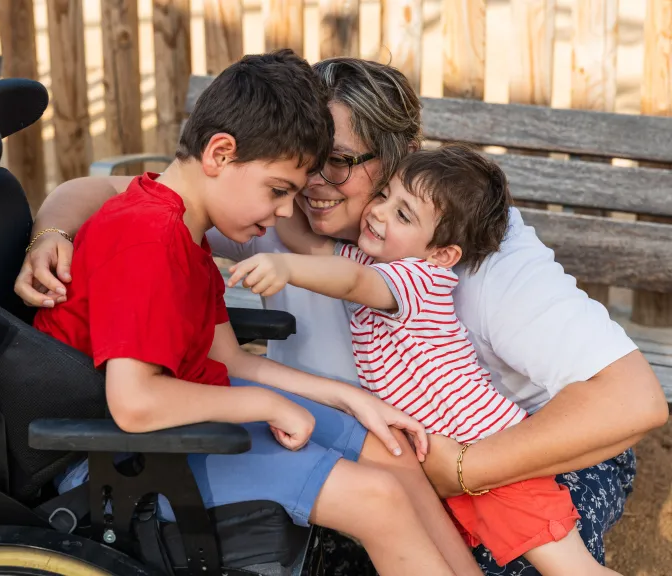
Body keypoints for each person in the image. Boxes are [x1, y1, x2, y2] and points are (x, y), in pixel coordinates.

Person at [15, 56, 669, 575]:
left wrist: (466, 469)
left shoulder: (471, 244)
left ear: (399, 159)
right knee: (372, 518)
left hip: (524, 452)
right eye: (299, 172)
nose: (312, 188)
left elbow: (635, 402)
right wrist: (53, 233)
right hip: (366, 442)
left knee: (518, 559)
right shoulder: (254, 207)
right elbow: (101, 195)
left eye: (340, 162)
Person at [31, 50, 480, 576]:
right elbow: (133, 403)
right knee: (375, 499)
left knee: (391, 452)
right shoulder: (146, 236)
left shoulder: (183, 228)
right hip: (116, 459)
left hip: (176, 423)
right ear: (220, 153)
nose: (287, 212)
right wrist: (268, 406)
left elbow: (231, 361)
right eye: (278, 190)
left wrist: (355, 400)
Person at [228, 144, 623, 574]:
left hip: (490, 456)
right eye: (384, 197)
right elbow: (307, 242)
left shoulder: (420, 277)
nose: (379, 213)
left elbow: (351, 281)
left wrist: (285, 270)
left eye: (404, 215)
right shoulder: (376, 257)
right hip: (451, 463)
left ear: (442, 253)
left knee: (572, 569)